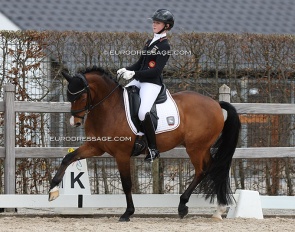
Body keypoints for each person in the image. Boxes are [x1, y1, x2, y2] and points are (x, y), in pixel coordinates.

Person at [117, 9, 174, 162]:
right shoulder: (150, 42)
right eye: (154, 22)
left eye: (158, 22)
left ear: (166, 26)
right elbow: (140, 64)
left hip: (152, 84)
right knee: (121, 100)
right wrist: (127, 69)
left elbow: (155, 71)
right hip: (140, 80)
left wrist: (135, 74)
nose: (154, 25)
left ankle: (153, 148)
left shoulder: (164, 46)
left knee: (143, 112)